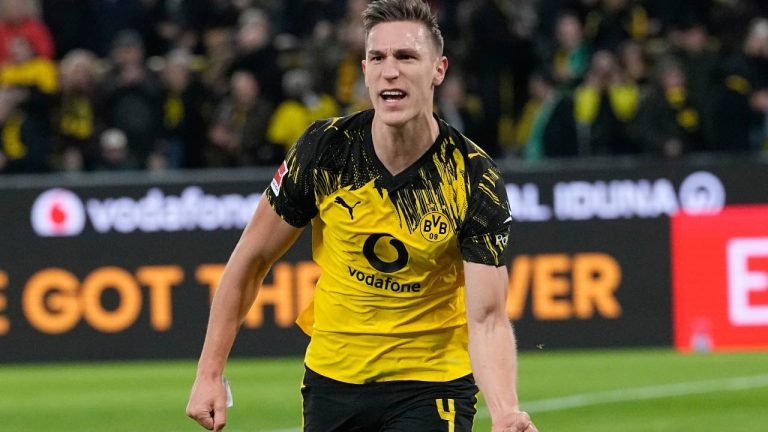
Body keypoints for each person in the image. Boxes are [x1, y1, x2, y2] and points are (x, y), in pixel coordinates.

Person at [186, 1, 537, 431]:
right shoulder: (325, 150)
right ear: (366, 70)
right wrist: (209, 374)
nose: (391, 70)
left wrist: (504, 410)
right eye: (378, 58)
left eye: (407, 57)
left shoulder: (471, 176)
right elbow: (251, 260)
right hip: (332, 378)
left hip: (431, 381)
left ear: (438, 70)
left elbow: (487, 317)